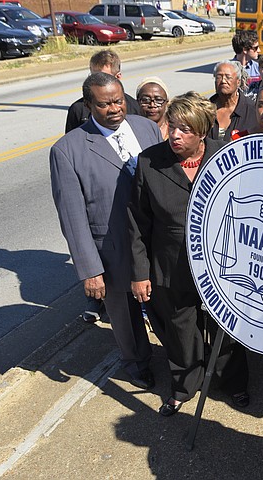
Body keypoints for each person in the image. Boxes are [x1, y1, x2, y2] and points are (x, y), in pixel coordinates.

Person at [129, 92, 250, 416]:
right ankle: (184, 384)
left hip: (223, 263)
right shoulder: (149, 162)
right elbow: (137, 224)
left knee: (226, 326)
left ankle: (233, 380)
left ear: (203, 132)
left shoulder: (227, 158)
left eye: (185, 130)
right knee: (181, 330)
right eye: (172, 126)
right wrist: (140, 273)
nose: (175, 135)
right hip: (172, 265)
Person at [50, 72, 160, 390]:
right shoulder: (67, 151)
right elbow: (72, 216)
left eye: (118, 100)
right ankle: (137, 364)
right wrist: (90, 270)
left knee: (164, 305)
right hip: (112, 249)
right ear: (88, 105)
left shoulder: (147, 128)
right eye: (104, 104)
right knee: (125, 318)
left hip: (156, 240)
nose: (114, 108)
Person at [65, 50, 142, 134]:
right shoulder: (78, 109)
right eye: (93, 77)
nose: (114, 109)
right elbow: (71, 142)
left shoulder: (133, 106)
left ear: (118, 76)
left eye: (104, 78)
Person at [208, 60, 259, 140]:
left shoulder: (251, 110)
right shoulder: (206, 109)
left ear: (238, 82)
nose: (223, 81)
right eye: (219, 77)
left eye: (228, 77)